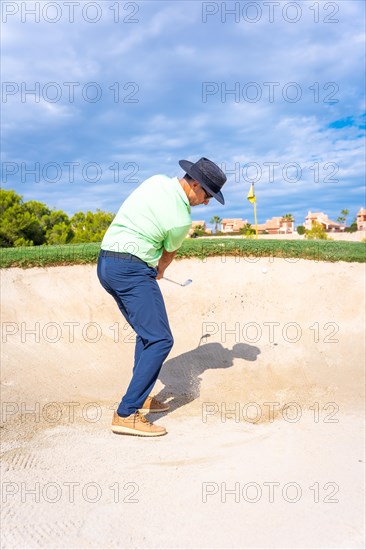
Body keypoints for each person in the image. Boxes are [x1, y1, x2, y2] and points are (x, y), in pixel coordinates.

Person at [97, 157, 227, 437]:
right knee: (161, 339)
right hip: (131, 269)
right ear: (194, 184)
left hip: (106, 264)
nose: (206, 203)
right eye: (207, 195)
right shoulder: (181, 220)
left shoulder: (155, 181)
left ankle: (139, 396)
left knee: (147, 334)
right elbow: (167, 256)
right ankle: (126, 414)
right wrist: (158, 270)